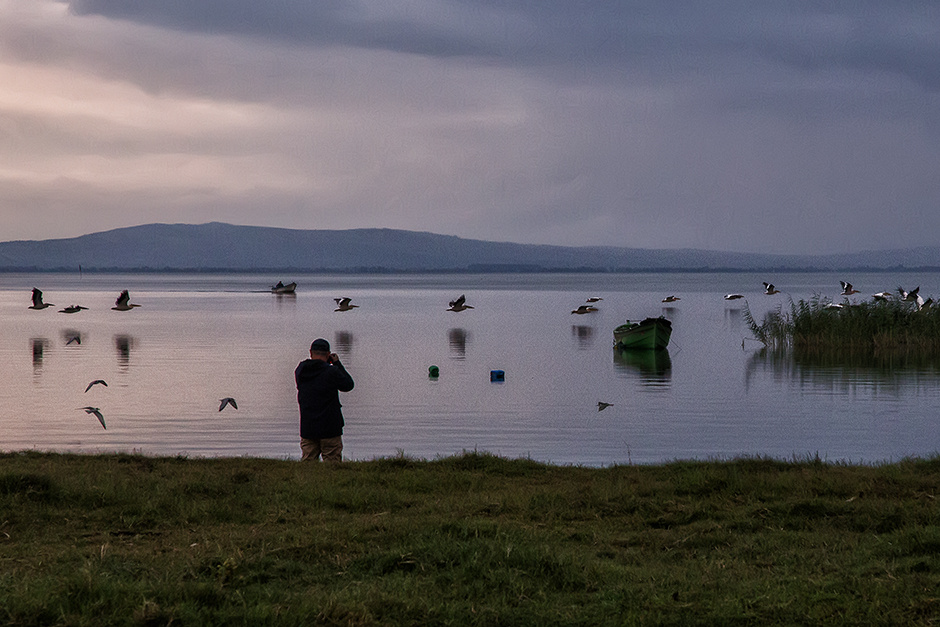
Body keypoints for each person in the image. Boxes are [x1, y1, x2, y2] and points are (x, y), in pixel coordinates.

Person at [295, 338, 355, 462]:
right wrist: (337, 364)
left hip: (308, 427)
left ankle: (305, 481)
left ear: (310, 352)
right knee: (333, 465)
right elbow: (348, 385)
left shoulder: (301, 370)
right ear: (328, 354)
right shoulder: (331, 371)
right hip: (330, 427)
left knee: (308, 463)